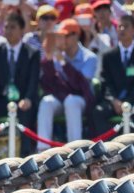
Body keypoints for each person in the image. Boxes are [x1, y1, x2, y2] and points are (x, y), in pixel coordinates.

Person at [0, 9, 39, 157]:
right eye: (6, 27)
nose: (8, 31)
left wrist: (28, 98)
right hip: (3, 98)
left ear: (21, 30)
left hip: (23, 99)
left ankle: (25, 156)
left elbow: (34, 79)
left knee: (26, 113)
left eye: (12, 27)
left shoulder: (32, 53)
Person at [37, 18, 94, 150]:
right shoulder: (57, 55)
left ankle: (75, 149)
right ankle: (42, 149)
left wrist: (63, 62)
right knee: (47, 102)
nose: (62, 39)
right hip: (61, 97)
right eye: (60, 36)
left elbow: (80, 85)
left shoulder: (89, 57)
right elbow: (49, 84)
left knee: (71, 101)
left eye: (66, 36)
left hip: (81, 100)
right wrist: (49, 59)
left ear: (76, 35)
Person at [94, 14, 134, 133]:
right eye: (120, 26)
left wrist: (127, 102)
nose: (122, 30)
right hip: (114, 102)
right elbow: (105, 82)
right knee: (98, 112)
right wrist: (114, 101)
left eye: (126, 26)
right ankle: (109, 148)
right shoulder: (108, 56)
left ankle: (132, 148)